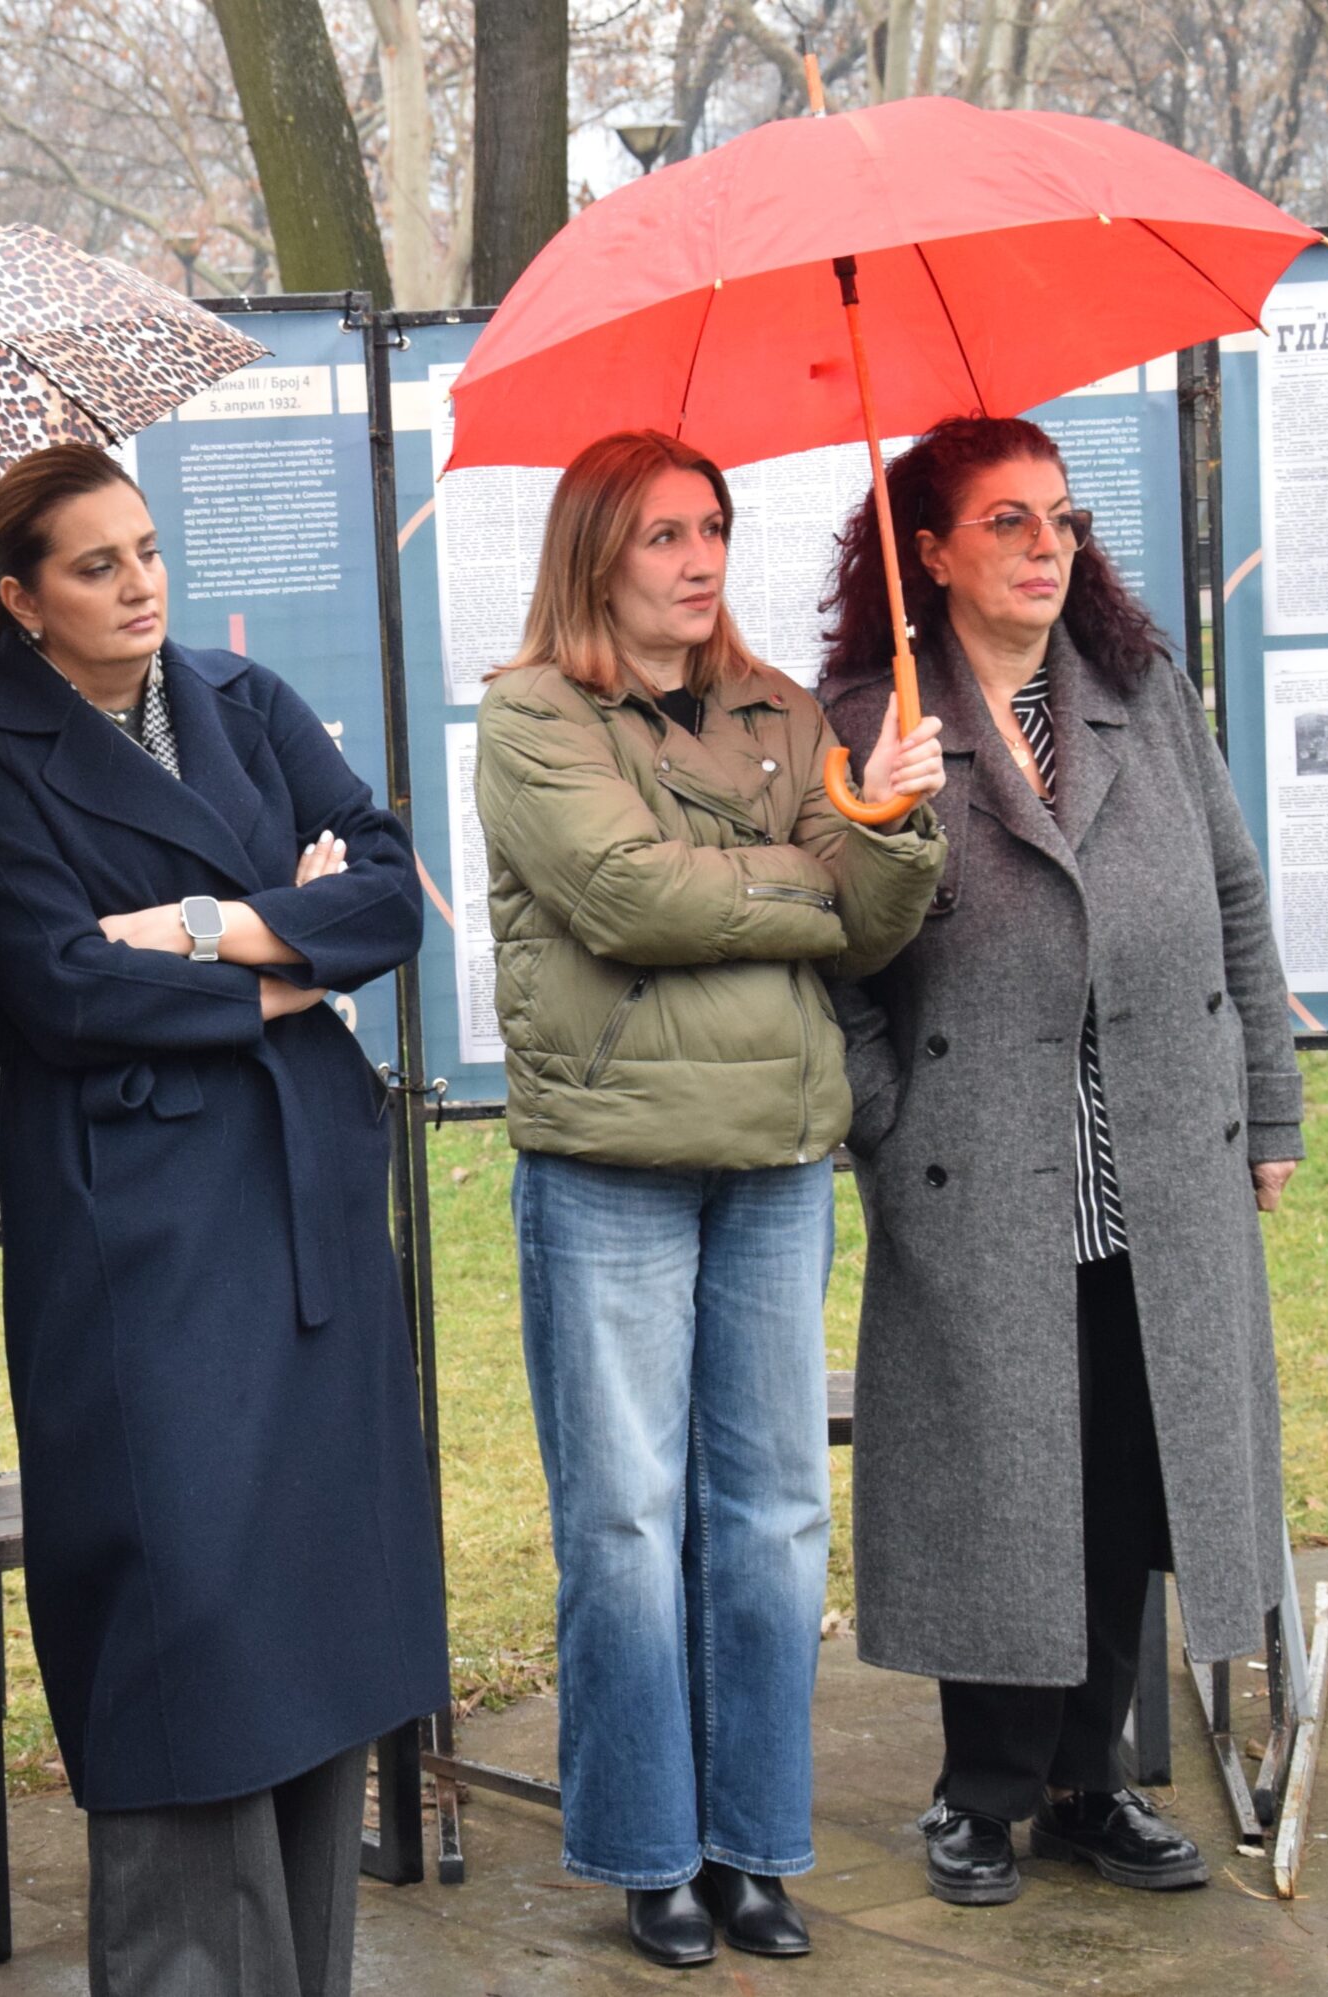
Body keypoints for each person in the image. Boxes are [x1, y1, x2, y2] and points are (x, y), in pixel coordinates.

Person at [0, 441, 448, 1997]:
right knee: (188, 1639)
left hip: (307, 1217)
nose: (140, 584)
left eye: (147, 550)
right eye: (97, 565)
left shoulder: (244, 699)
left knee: (317, 1636)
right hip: (143, 1241)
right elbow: (57, 987)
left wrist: (206, 928)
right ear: (24, 597)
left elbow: (392, 893)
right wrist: (288, 966)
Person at [474, 429, 946, 1969]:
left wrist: (886, 821)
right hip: (609, 1155)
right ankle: (646, 1852)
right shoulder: (534, 714)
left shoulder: (780, 710)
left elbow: (868, 925)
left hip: (775, 1157)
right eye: (663, 534)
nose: (699, 560)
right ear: (594, 553)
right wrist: (803, 874)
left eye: (713, 529)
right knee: (624, 1520)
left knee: (775, 1517)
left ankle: (752, 1844)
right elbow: (623, 897)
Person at [817, 416, 1303, 1907]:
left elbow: (1233, 895)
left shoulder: (1139, 691)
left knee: (1127, 1468)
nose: (1048, 547)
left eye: (1063, 519)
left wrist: (1270, 1106)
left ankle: (1092, 1785)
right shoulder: (869, 722)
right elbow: (830, 952)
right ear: (929, 551)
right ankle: (979, 1794)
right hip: (977, 1164)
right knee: (1001, 1478)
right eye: (1010, 521)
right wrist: (889, 1116)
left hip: (1157, 1156)